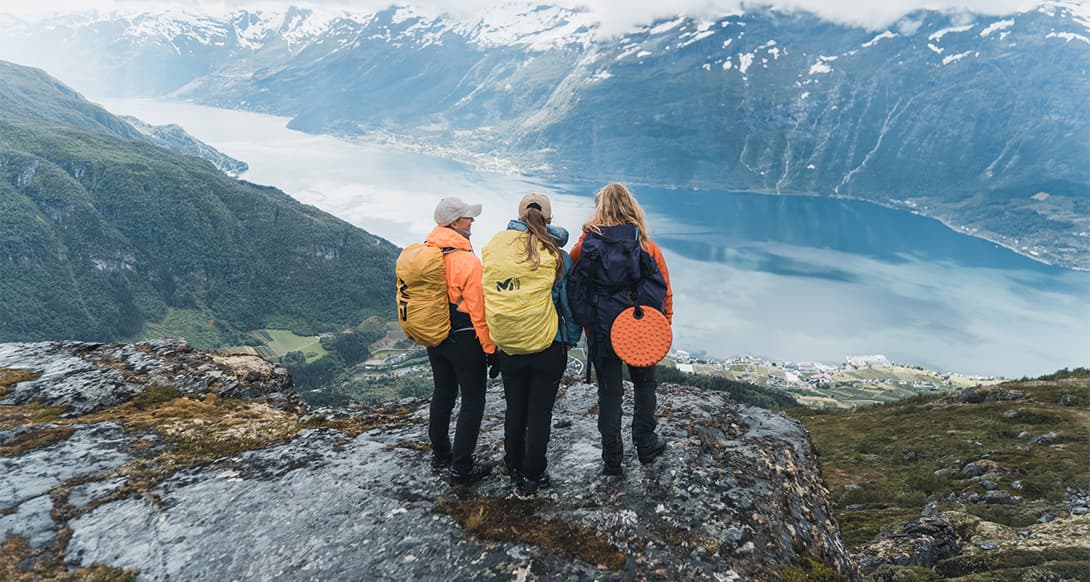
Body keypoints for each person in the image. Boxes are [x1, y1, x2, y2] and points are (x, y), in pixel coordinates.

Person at [568, 183, 674, 476]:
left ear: (599, 210)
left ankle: (612, 458)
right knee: (644, 386)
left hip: (601, 331)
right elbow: (663, 291)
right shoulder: (646, 246)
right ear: (632, 207)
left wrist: (589, 234)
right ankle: (646, 443)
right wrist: (662, 328)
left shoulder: (585, 247)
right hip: (640, 330)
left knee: (609, 393)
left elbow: (576, 280)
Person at [482, 193, 581, 495]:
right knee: (539, 413)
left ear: (518, 216)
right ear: (549, 219)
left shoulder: (497, 247)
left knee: (515, 409)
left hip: (509, 346)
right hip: (547, 346)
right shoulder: (557, 255)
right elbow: (568, 305)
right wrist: (570, 339)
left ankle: (512, 464)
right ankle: (534, 474)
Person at [425, 196, 496, 484]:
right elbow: (479, 312)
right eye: (468, 217)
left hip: (435, 334)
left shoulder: (425, 254)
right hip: (465, 339)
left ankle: (441, 453)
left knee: (443, 393)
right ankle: (461, 467)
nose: (473, 221)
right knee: (473, 400)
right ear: (455, 223)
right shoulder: (467, 261)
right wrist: (491, 349)